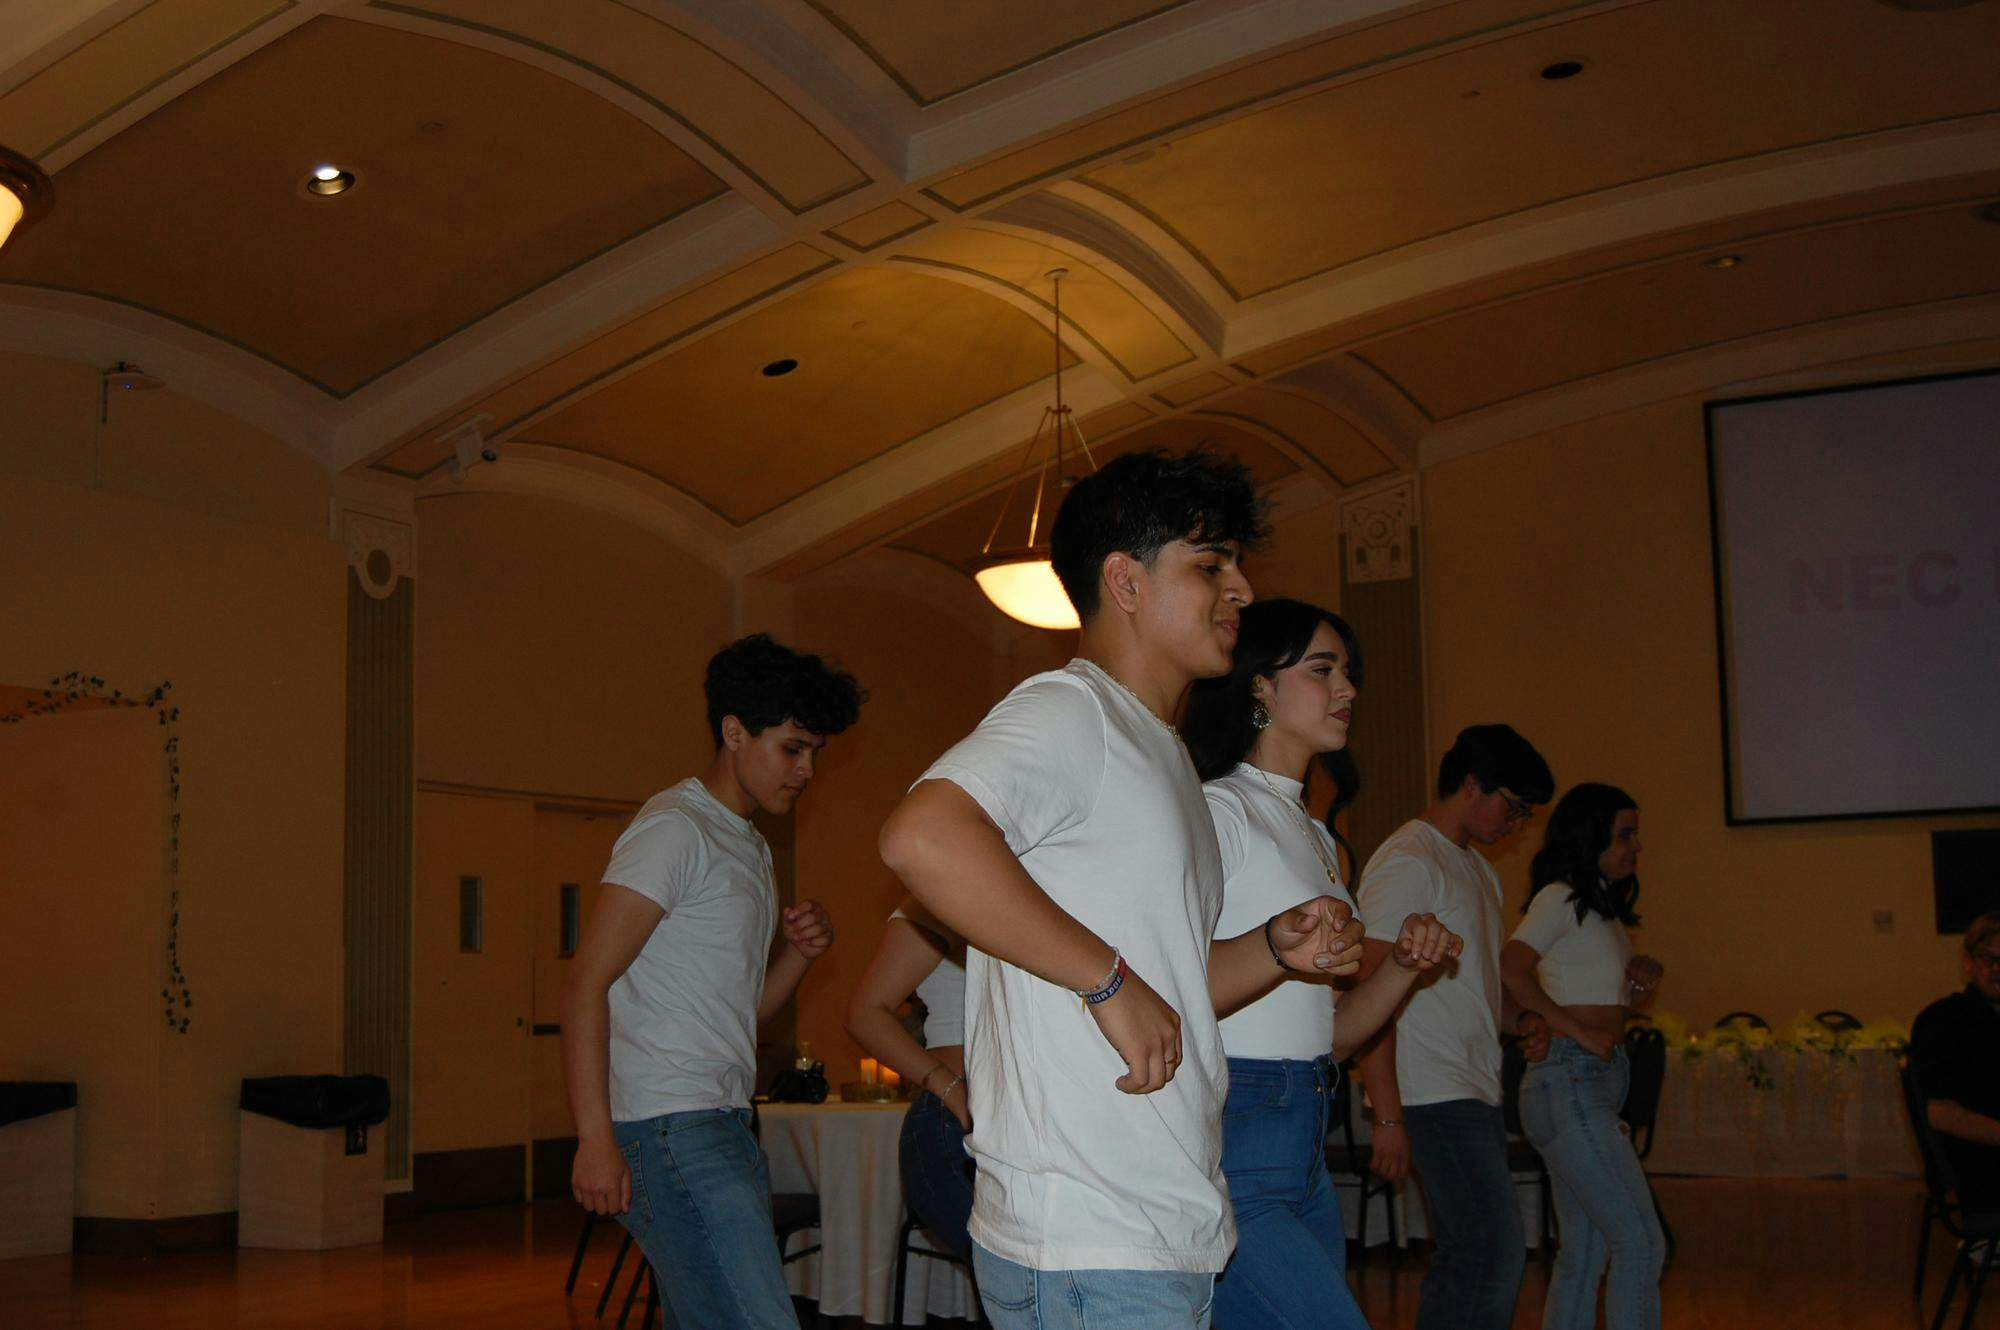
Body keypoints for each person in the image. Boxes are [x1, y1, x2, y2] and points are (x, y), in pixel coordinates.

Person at [879, 448, 1364, 1330]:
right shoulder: (1073, 711)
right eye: (1210, 566)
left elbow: (1176, 986)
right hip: (1088, 1239)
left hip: (1158, 1222)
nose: (1242, 590)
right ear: (1125, 581)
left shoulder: (1164, 752)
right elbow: (923, 837)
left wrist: (1272, 948)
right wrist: (1107, 980)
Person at [563, 634, 865, 1330]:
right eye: (792, 748)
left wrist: (798, 956)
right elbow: (584, 984)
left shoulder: (749, 846)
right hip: (670, 1127)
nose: (807, 770)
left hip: (723, 1120)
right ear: (734, 733)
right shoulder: (675, 829)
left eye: (815, 752)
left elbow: (737, 1015)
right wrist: (594, 1138)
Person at [1183, 597, 1464, 1330]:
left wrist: (1403, 966)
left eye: (1347, 672)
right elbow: (1168, 985)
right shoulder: (1218, 811)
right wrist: (1278, 950)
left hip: (1306, 1128)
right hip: (1239, 1129)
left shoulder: (1314, 834)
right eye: (1322, 669)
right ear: (1259, 685)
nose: (1348, 688)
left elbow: (1330, 1038)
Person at [1349, 723, 1555, 1330]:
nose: (1517, 824)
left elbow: (1475, 993)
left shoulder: (1477, 871)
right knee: (1490, 1255)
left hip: (1472, 1088)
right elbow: (1368, 990)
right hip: (1429, 1092)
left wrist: (1523, 1020)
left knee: (1477, 1255)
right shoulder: (1409, 861)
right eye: (1513, 806)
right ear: (1472, 784)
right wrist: (1387, 1116)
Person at [1499, 782, 1668, 1330]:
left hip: (1584, 1081)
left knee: (1587, 1253)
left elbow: (1599, 1003)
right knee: (1641, 1244)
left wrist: (1635, 990)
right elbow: (1510, 967)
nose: (1636, 846)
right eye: (1625, 835)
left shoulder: (1602, 909)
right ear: (1590, 837)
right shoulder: (1561, 897)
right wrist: (1574, 1030)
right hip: (1569, 1079)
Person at [844, 896, 974, 1258]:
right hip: (954, 1121)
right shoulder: (938, 898)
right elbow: (866, 1014)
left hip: (1009, 1120)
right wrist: (953, 1091)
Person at [1910, 909, 2000, 1216]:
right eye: (1989, 959)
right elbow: (1941, 1114)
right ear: (1968, 962)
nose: (1998, 969)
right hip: (1978, 1167)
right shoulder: (1944, 1021)